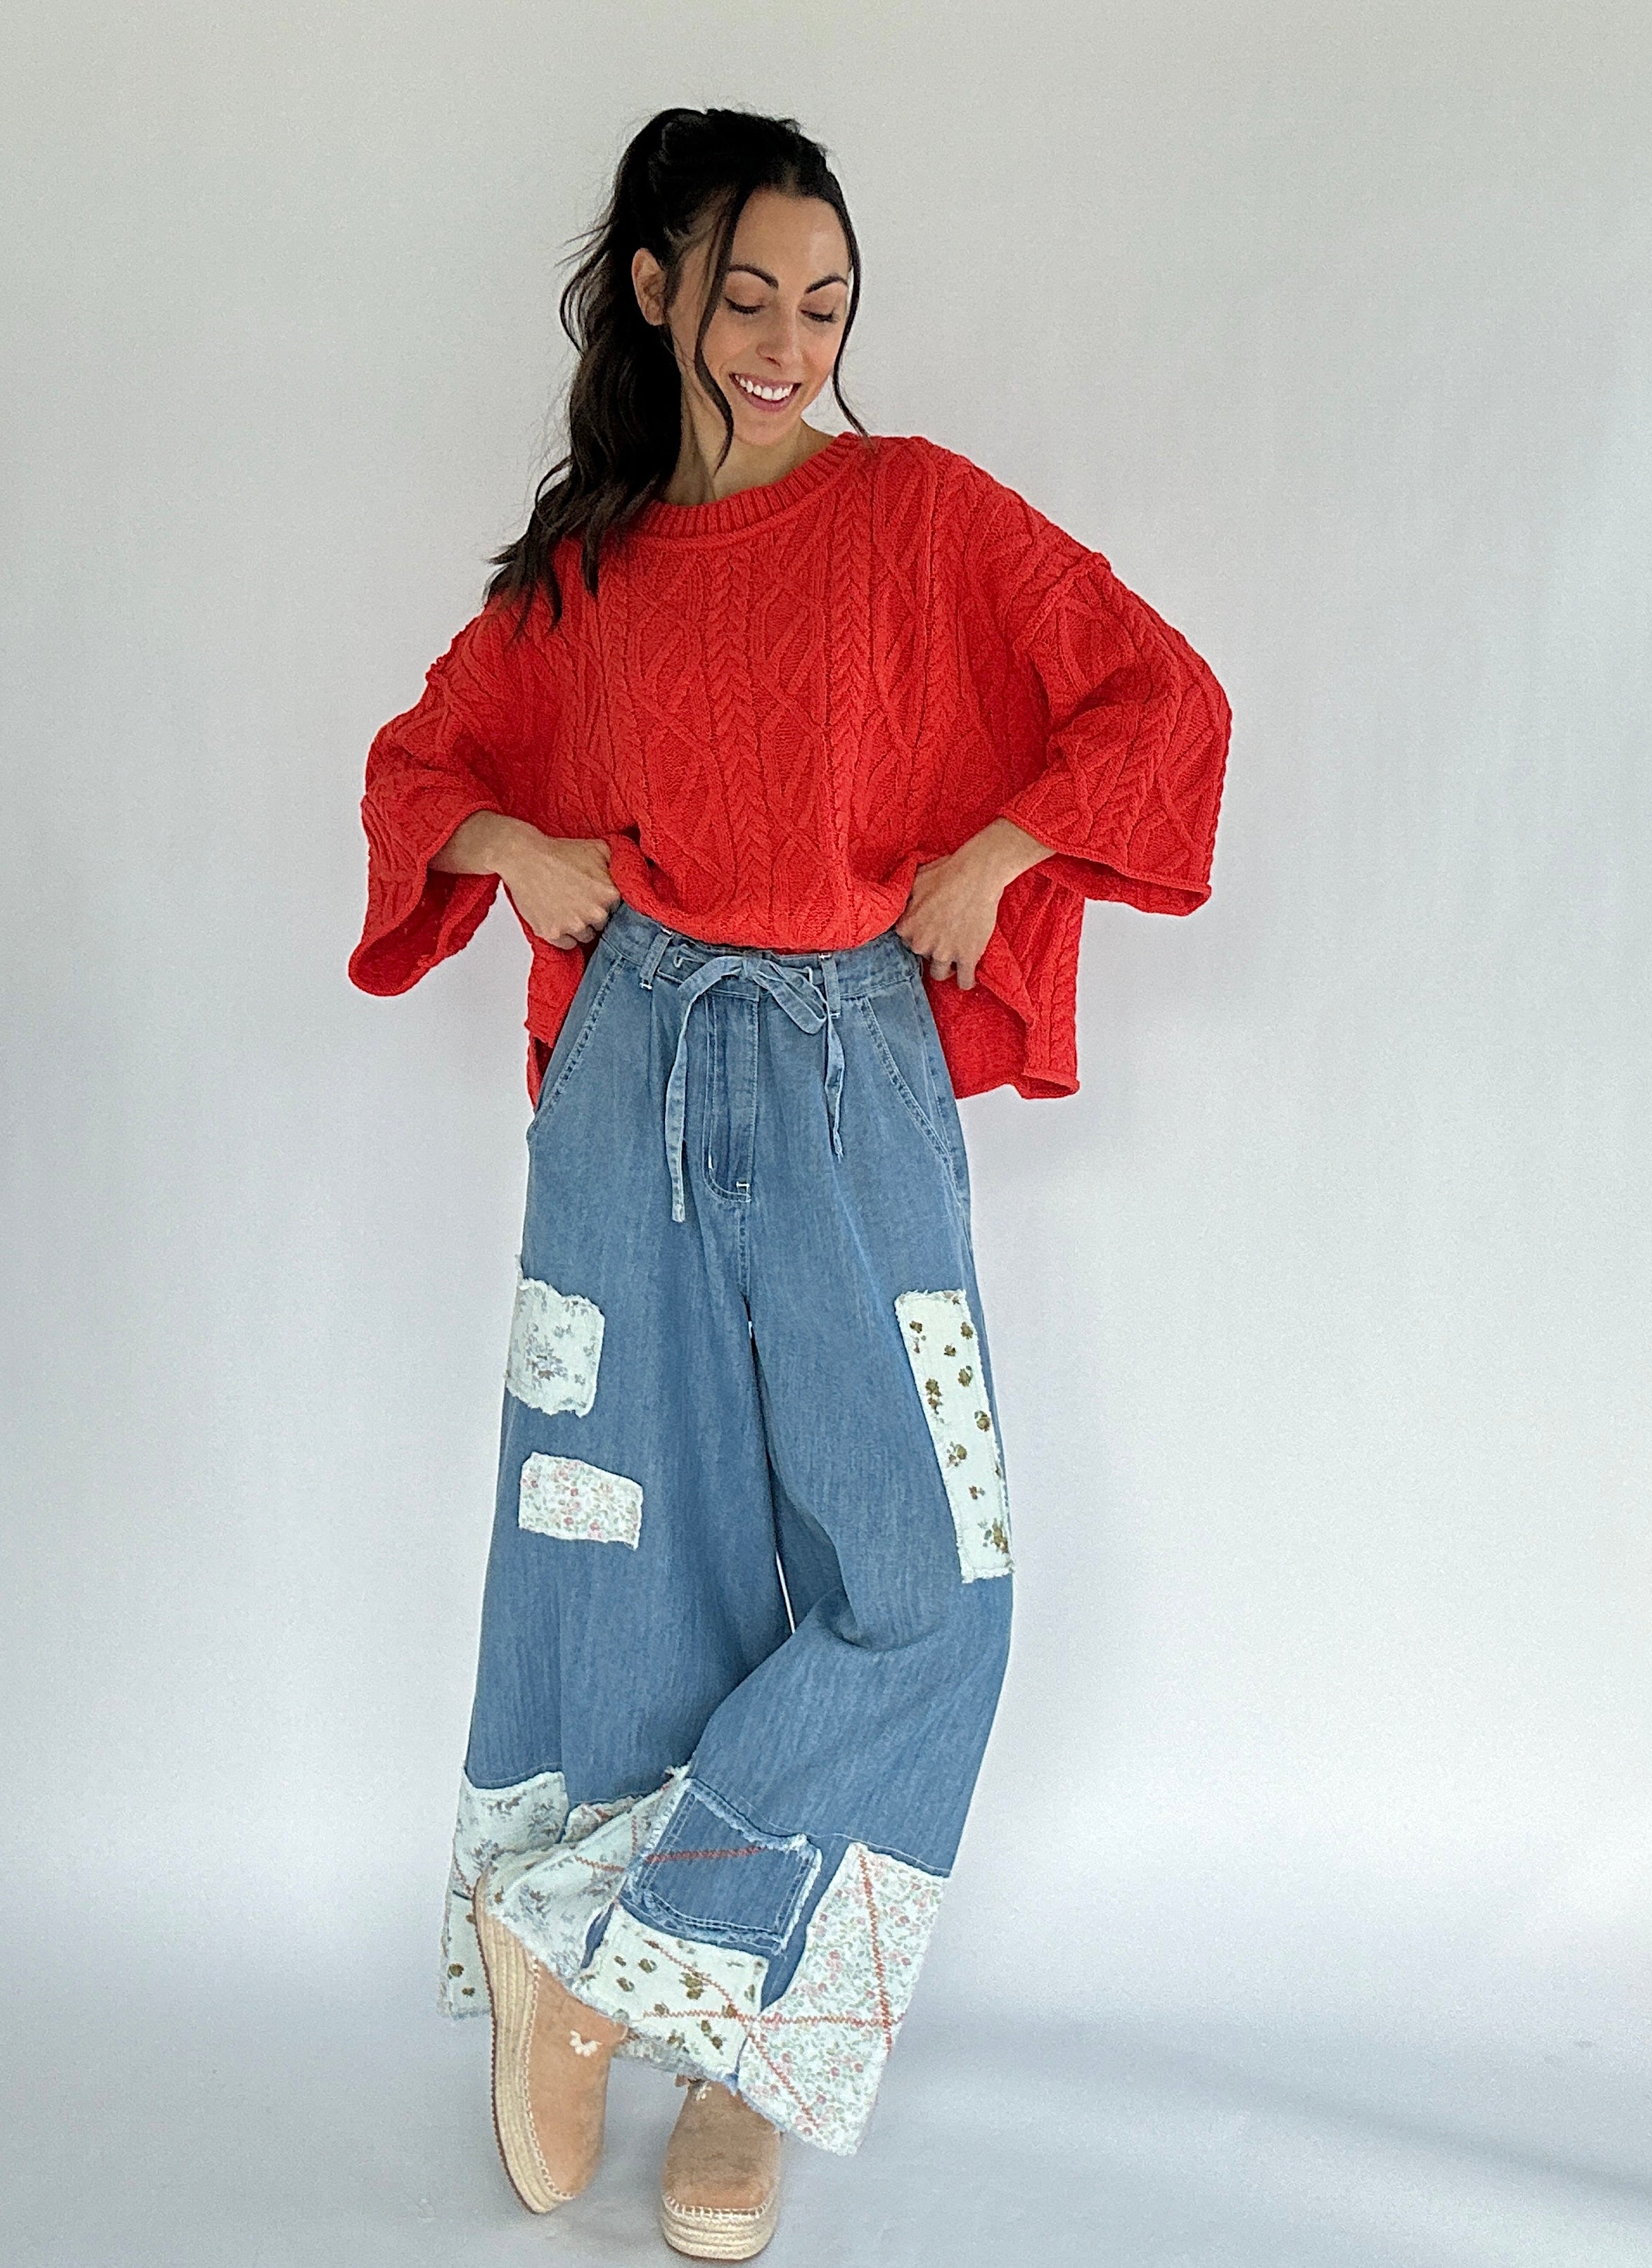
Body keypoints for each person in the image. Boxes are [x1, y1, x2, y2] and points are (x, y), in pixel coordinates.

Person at [348, 103, 1231, 2263]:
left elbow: (1158, 700)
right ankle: (693, 2050)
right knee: (635, 1566)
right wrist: (511, 845)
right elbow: (420, 766)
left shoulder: (916, 513)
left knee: (932, 1581)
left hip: (850, 1070)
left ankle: (620, 1970)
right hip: (630, 1077)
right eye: (746, 296)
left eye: (823, 306)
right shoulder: (586, 578)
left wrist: (1002, 847)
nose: (784, 343)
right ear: (656, 291)